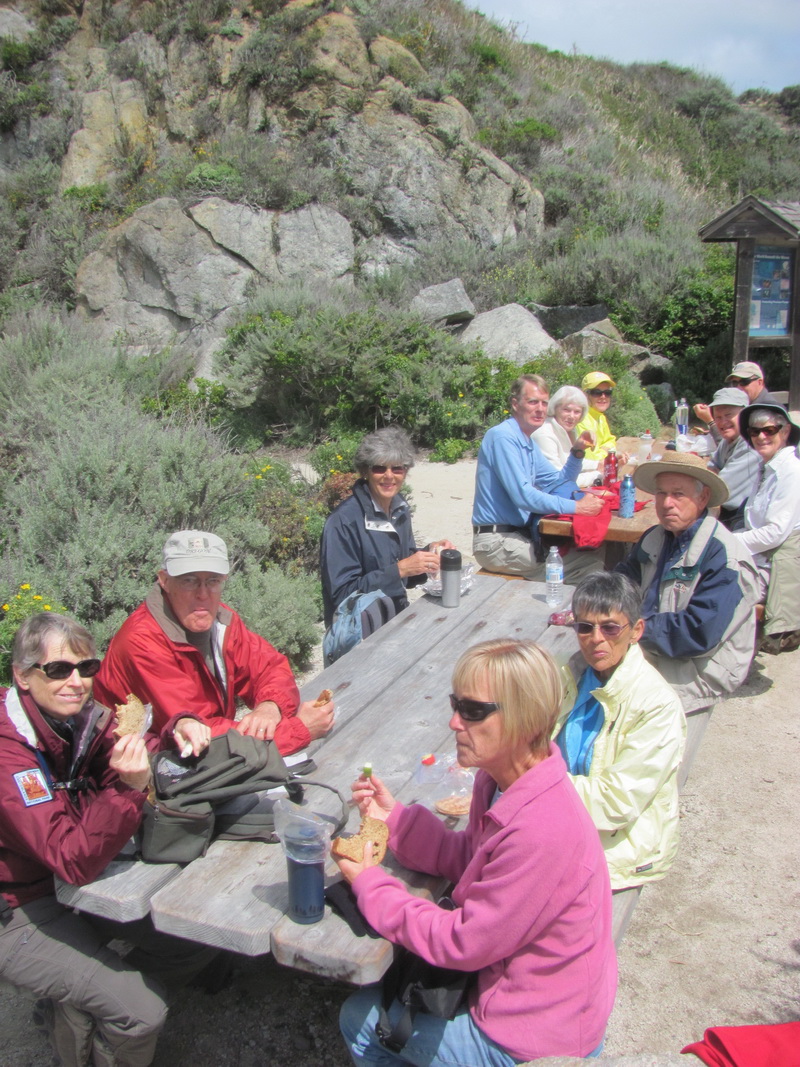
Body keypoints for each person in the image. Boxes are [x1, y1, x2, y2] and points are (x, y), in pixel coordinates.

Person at [335, 638, 616, 1065]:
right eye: (455, 704)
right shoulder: (500, 780)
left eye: (472, 710)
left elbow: (463, 941)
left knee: (359, 1020)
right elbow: (474, 861)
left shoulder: (543, 829)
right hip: (530, 992)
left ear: (525, 720)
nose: (452, 722)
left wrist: (370, 884)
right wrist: (395, 819)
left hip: (535, 1034)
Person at [1, 614, 175, 1066]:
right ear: (21, 676)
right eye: (58, 670)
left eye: (86, 667)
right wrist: (127, 788)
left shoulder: (72, 721)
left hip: (64, 888)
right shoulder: (9, 754)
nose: (76, 682)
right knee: (142, 1011)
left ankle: (83, 1003)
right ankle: (95, 1023)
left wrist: (181, 728)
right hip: (18, 910)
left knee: (188, 943)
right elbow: (71, 858)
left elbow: (131, 743)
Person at [94, 530, 334, 756]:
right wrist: (299, 730)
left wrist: (270, 707)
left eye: (213, 581)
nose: (203, 593)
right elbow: (203, 737)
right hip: (137, 781)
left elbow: (270, 669)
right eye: (189, 580)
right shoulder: (143, 642)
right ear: (164, 581)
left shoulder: (222, 621)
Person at [554, 573, 685, 890]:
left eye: (610, 627)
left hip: (614, 847)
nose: (596, 638)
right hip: (559, 816)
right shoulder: (567, 673)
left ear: (636, 630)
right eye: (585, 627)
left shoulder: (658, 706)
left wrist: (530, 786)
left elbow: (615, 803)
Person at [615, 452, 759, 712]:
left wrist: (628, 630)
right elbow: (622, 582)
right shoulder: (656, 536)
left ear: (702, 498)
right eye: (661, 493)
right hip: (650, 645)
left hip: (696, 669)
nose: (667, 503)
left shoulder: (724, 556)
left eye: (678, 494)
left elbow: (697, 632)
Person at [321, 427, 454, 632]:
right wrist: (400, 569)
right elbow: (342, 595)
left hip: (395, 619)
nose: (389, 476)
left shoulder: (399, 509)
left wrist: (430, 555)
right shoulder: (343, 521)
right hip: (357, 634)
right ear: (365, 471)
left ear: (406, 472)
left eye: (397, 468)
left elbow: (404, 571)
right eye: (379, 468)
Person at [472, 374, 604, 581]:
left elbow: (559, 482)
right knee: (589, 565)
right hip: (496, 543)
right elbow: (524, 497)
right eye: (532, 402)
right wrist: (578, 507)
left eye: (544, 403)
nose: (540, 409)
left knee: (593, 551)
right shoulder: (503, 437)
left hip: (516, 537)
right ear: (515, 404)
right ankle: (565, 613)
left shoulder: (526, 441)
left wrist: (577, 452)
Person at [734, 403, 800, 654]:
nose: (761, 436)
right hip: (758, 555)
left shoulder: (791, 472)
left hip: (774, 564)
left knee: (717, 581)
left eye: (769, 430)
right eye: (754, 431)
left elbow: (775, 533)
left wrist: (729, 541)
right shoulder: (768, 468)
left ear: (784, 432)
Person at [706, 387, 762, 531]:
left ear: (744, 415)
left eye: (728, 415)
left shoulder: (750, 443)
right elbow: (711, 467)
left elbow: (719, 488)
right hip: (728, 513)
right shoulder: (728, 439)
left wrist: (716, 473)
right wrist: (715, 472)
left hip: (744, 523)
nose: (722, 422)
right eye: (718, 417)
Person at [532, 385, 601, 488]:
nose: (571, 416)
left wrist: (599, 464)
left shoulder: (569, 430)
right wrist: (597, 476)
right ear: (555, 408)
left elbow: (568, 461)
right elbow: (558, 480)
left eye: (577, 412)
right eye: (566, 410)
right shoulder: (544, 434)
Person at [694, 360, 784, 430]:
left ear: (760, 382)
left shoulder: (766, 409)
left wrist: (711, 422)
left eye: (744, 382)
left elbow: (736, 443)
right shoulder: (751, 404)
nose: (739, 387)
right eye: (735, 383)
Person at [575, 371, 629, 466]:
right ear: (585, 395)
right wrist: (608, 452)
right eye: (596, 393)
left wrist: (605, 450)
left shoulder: (600, 416)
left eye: (607, 393)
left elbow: (610, 440)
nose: (603, 397)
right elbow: (591, 456)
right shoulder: (581, 419)